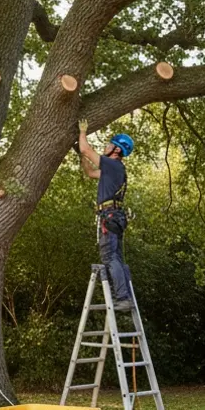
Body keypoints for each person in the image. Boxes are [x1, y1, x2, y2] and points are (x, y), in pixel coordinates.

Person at [77, 120, 135, 308]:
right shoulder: (114, 169)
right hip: (114, 217)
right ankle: (126, 295)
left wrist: (83, 133)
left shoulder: (113, 165)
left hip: (109, 217)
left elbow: (86, 149)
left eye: (110, 144)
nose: (106, 146)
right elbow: (90, 172)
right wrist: (82, 156)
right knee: (116, 257)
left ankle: (123, 297)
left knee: (110, 257)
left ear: (117, 151)